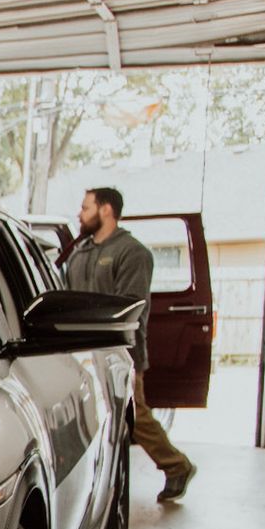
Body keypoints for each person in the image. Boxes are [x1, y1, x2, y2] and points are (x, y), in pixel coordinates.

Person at [66, 186, 197, 501]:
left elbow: (129, 307)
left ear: (106, 210)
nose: (79, 214)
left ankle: (176, 465)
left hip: (121, 352)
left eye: (86, 208)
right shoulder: (79, 251)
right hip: (82, 351)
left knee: (135, 416)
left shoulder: (132, 253)